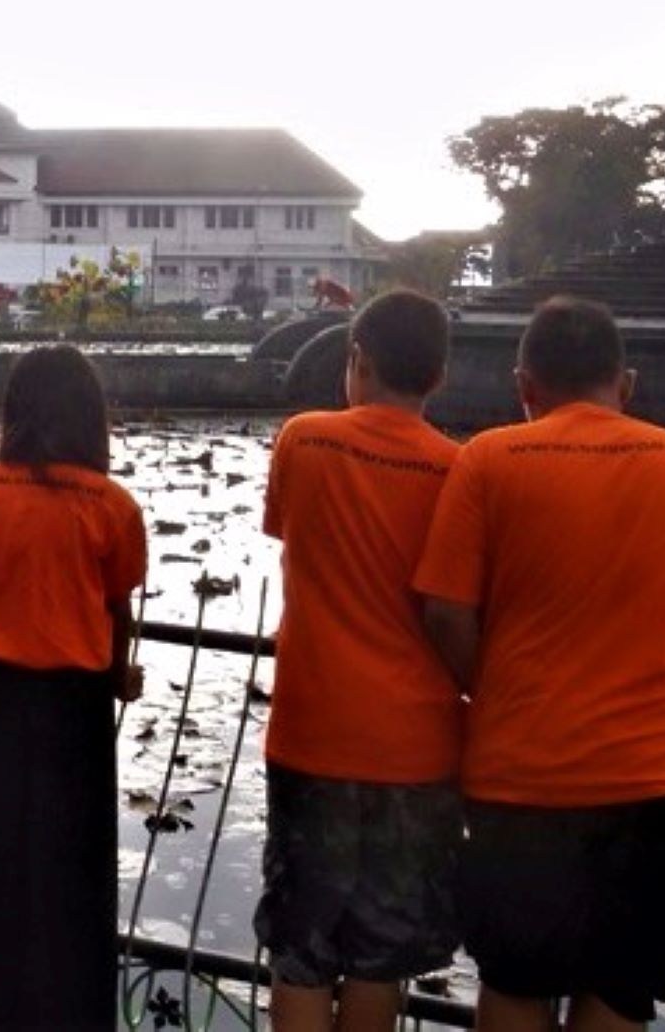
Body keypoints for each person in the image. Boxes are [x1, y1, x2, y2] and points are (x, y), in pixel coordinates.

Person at [414, 297, 665, 1032]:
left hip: (528, 771)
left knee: (517, 977)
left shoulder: (490, 459)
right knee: (621, 987)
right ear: (626, 384)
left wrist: (490, 689)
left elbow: (445, 612)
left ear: (525, 385)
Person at [255, 290, 462, 1032]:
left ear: (357, 362)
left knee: (302, 947)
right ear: (437, 377)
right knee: (382, 955)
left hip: (313, 732)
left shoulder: (305, 440)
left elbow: (287, 531)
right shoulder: (460, 471)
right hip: (417, 747)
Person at [0, 344, 147, 1030]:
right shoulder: (111, 506)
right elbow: (116, 604)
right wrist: (120, 676)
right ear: (92, 418)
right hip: (72, 704)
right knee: (75, 871)